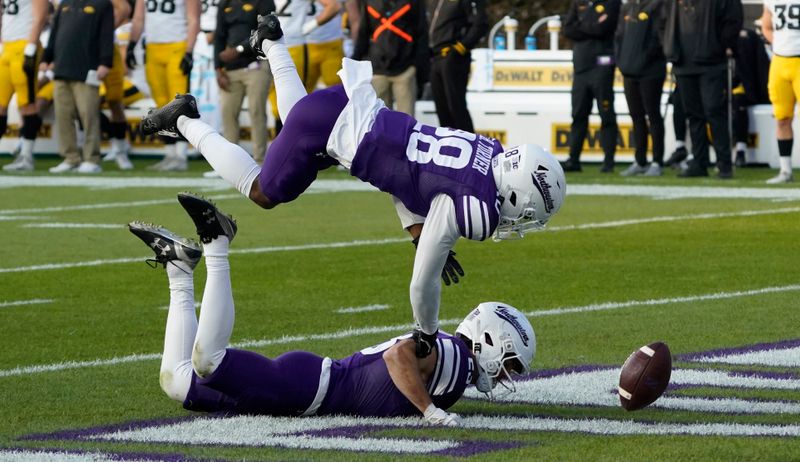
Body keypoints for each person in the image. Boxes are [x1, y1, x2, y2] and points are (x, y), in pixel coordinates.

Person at [139, 14, 566, 358]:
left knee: (298, 120)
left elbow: (408, 177)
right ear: (513, 192)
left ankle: (270, 41)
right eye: (528, 211)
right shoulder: (476, 208)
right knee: (263, 191)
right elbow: (423, 283)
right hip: (339, 129)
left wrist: (419, 230)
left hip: (351, 108)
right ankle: (184, 120)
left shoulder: (485, 152)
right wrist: (427, 331)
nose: (521, 220)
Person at [128, 193, 537, 422]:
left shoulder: (452, 360)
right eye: (511, 362)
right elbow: (399, 356)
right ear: (491, 340)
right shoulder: (456, 357)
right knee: (209, 364)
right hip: (312, 388)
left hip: (311, 385)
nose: (506, 374)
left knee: (177, 382)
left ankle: (179, 270)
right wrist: (430, 411)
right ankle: (217, 243)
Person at [663, 0, 742, 179]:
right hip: (683, 60)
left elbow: (733, 19)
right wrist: (668, 44)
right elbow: (663, 19)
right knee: (693, 114)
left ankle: (724, 164)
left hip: (711, 61)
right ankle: (700, 162)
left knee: (714, 110)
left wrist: (720, 45)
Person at [42, 0, 116, 174]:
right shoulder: (65, 3)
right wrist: (46, 57)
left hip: (87, 69)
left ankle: (92, 158)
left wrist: (106, 61)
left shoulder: (102, 4)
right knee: (63, 116)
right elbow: (55, 33)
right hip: (61, 68)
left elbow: (107, 34)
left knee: (89, 116)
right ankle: (70, 157)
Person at [128, 0, 201, 171]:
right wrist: (132, 44)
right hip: (153, 49)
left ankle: (181, 155)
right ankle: (170, 153)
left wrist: (189, 51)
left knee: (178, 104)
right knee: (161, 105)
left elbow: (194, 19)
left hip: (177, 46)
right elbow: (139, 18)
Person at [562, 0, 621, 173]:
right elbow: (567, 29)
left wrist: (580, 26)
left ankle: (608, 161)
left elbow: (603, 29)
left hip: (601, 67)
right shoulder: (578, 2)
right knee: (578, 115)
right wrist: (591, 26)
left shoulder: (611, 3)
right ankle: (574, 159)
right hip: (581, 68)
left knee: (606, 114)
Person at [269, 0, 343, 134]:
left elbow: (334, 6)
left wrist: (307, 27)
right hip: (272, 45)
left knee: (296, 100)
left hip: (294, 46)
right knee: (277, 98)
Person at [214, 0, 275, 163]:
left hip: (257, 64)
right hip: (231, 68)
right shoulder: (225, 3)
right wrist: (218, 69)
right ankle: (230, 162)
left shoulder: (264, 2)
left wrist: (239, 49)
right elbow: (219, 35)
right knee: (228, 113)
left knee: (256, 111)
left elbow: (267, 28)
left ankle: (260, 161)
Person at [615, 0, 667, 177]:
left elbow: (660, 36)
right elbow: (619, 37)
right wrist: (622, 61)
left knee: (653, 115)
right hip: (629, 72)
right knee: (636, 117)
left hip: (651, 72)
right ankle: (640, 160)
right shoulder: (628, 7)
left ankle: (657, 161)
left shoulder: (659, 5)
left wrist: (644, 58)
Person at [351, 0, 428, 117]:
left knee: (407, 121)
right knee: (380, 120)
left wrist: (419, 68)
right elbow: (363, 33)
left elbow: (422, 34)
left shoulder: (414, 2)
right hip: (378, 69)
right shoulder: (370, 2)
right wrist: (354, 63)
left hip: (405, 69)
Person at [0, 0, 48, 172]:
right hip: (7, 47)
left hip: (24, 45)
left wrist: (31, 47)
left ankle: (26, 156)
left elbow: (41, 15)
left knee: (27, 103)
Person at [426, 0, 488, 132]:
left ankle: (470, 145)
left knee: (456, 107)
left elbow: (480, 24)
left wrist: (460, 48)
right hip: (434, 57)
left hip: (453, 57)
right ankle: (448, 147)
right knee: (442, 110)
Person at [761, 0, 799, 184]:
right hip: (780, 62)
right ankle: (785, 170)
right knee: (782, 118)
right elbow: (766, 26)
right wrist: (781, 44)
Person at [730, 27, 770, 168]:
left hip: (741, 89)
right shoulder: (713, 37)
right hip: (717, 87)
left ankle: (740, 150)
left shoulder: (748, 38)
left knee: (738, 105)